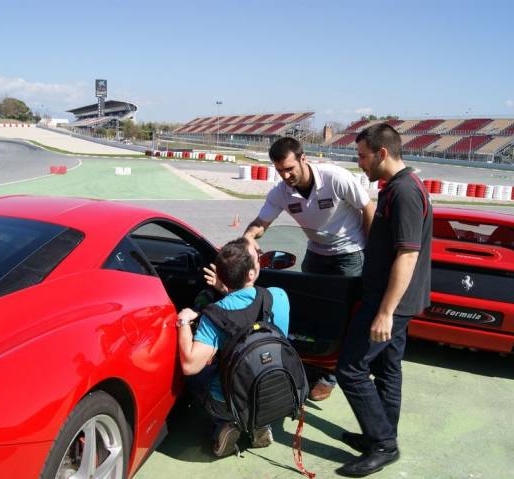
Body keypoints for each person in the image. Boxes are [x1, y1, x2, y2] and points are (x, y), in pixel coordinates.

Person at [243, 136, 375, 401]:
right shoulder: (280, 192)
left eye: (290, 168)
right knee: (313, 313)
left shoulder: (335, 177)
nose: (286, 175)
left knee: (345, 319)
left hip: (350, 254)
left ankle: (332, 374)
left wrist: (373, 252)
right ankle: (313, 361)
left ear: (304, 159)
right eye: (280, 170)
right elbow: (261, 222)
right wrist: (248, 237)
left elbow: (368, 208)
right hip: (316, 252)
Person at [334, 123, 432, 477]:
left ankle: (383, 444)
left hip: (390, 304)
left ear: (382, 153)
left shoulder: (405, 192)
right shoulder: (396, 188)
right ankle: (382, 435)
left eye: (362, 156)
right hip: (391, 300)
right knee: (387, 369)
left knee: (350, 368)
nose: (359, 162)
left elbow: (407, 256)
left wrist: (386, 312)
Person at [177, 237, 290, 457]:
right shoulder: (278, 297)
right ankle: (260, 423)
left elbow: (189, 366)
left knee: (195, 378)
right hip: (270, 390)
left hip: (228, 399)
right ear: (250, 274)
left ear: (220, 275)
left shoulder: (214, 314)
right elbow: (248, 309)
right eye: (257, 259)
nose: (259, 260)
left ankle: (226, 424)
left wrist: (183, 321)